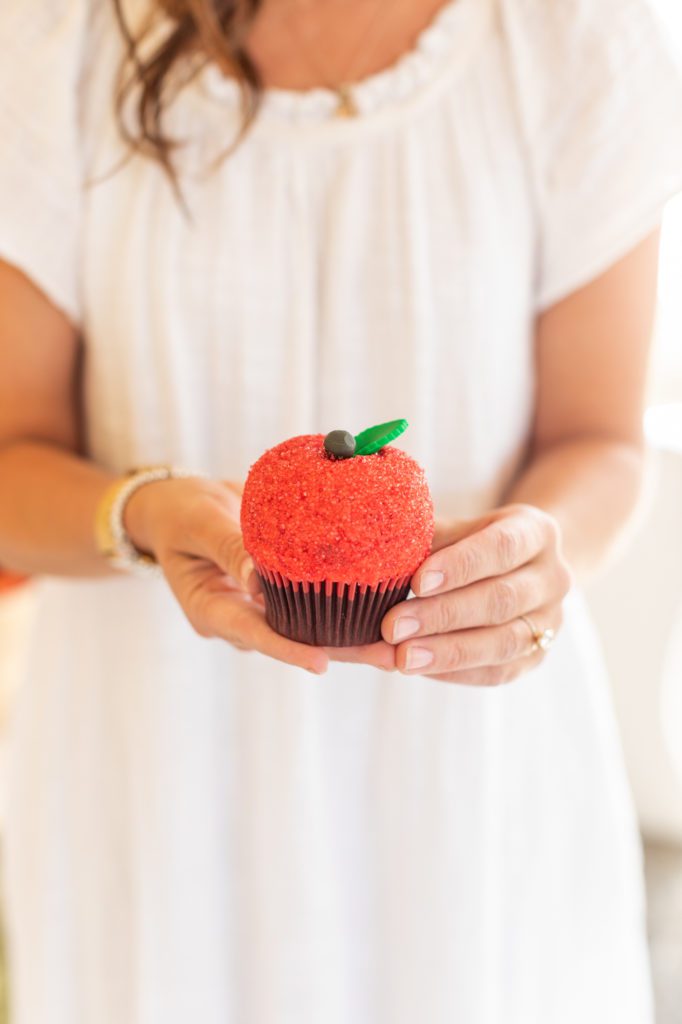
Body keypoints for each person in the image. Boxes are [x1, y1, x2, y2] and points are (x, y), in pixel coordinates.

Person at [1, 0, 681, 1020]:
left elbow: (601, 440)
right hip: (154, 779)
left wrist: (541, 551)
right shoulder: (57, 42)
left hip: (467, 779)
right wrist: (141, 512)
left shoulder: (578, 37)